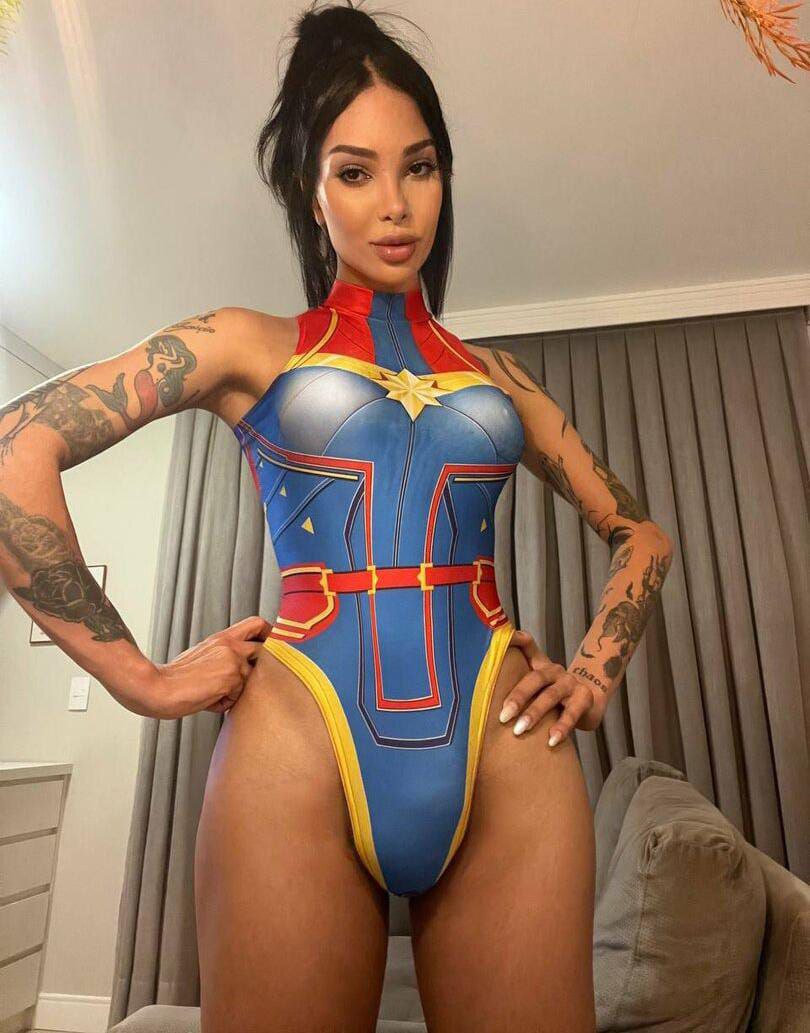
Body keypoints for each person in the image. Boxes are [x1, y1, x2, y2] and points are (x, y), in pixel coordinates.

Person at [0, 2, 674, 1030]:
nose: (395, 204)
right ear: (311, 194)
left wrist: (592, 673)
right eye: (355, 172)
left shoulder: (503, 378)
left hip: (505, 748)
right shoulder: (244, 342)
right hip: (297, 743)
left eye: (421, 167)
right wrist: (140, 676)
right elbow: (16, 450)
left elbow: (643, 534)